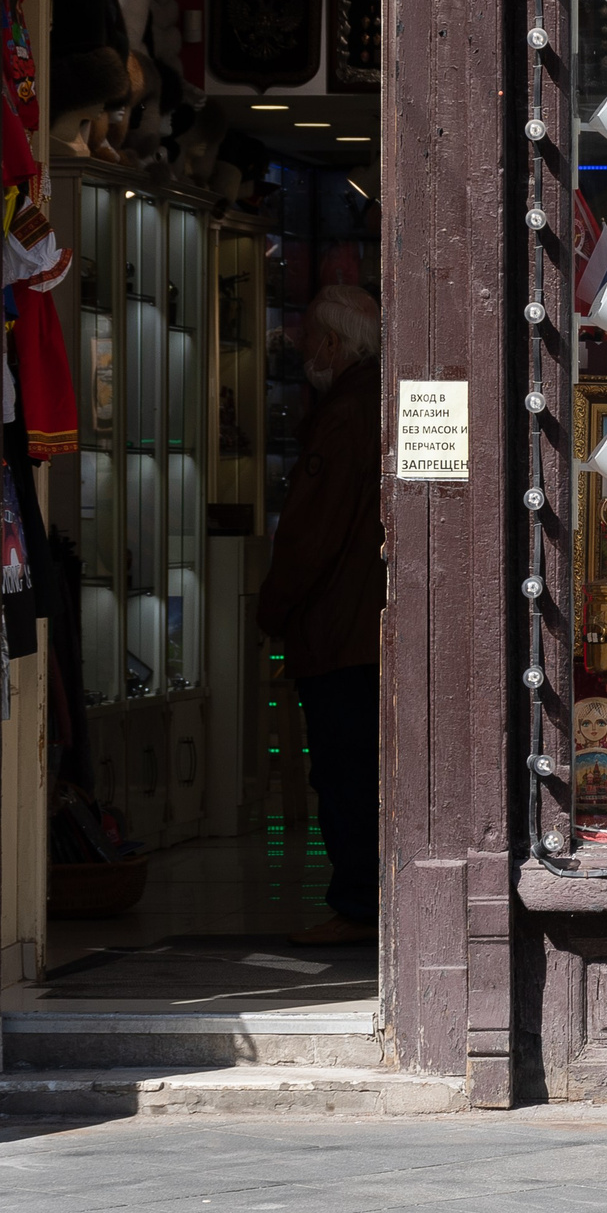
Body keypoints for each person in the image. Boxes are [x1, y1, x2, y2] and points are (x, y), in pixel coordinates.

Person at [255, 284, 385, 948]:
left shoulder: (344, 412)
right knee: (358, 765)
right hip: (364, 627)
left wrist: (272, 606)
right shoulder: (370, 400)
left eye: (308, 337)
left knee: (344, 768)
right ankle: (365, 896)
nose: (302, 349)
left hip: (340, 631)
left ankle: (360, 904)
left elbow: (311, 532)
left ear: (332, 344)